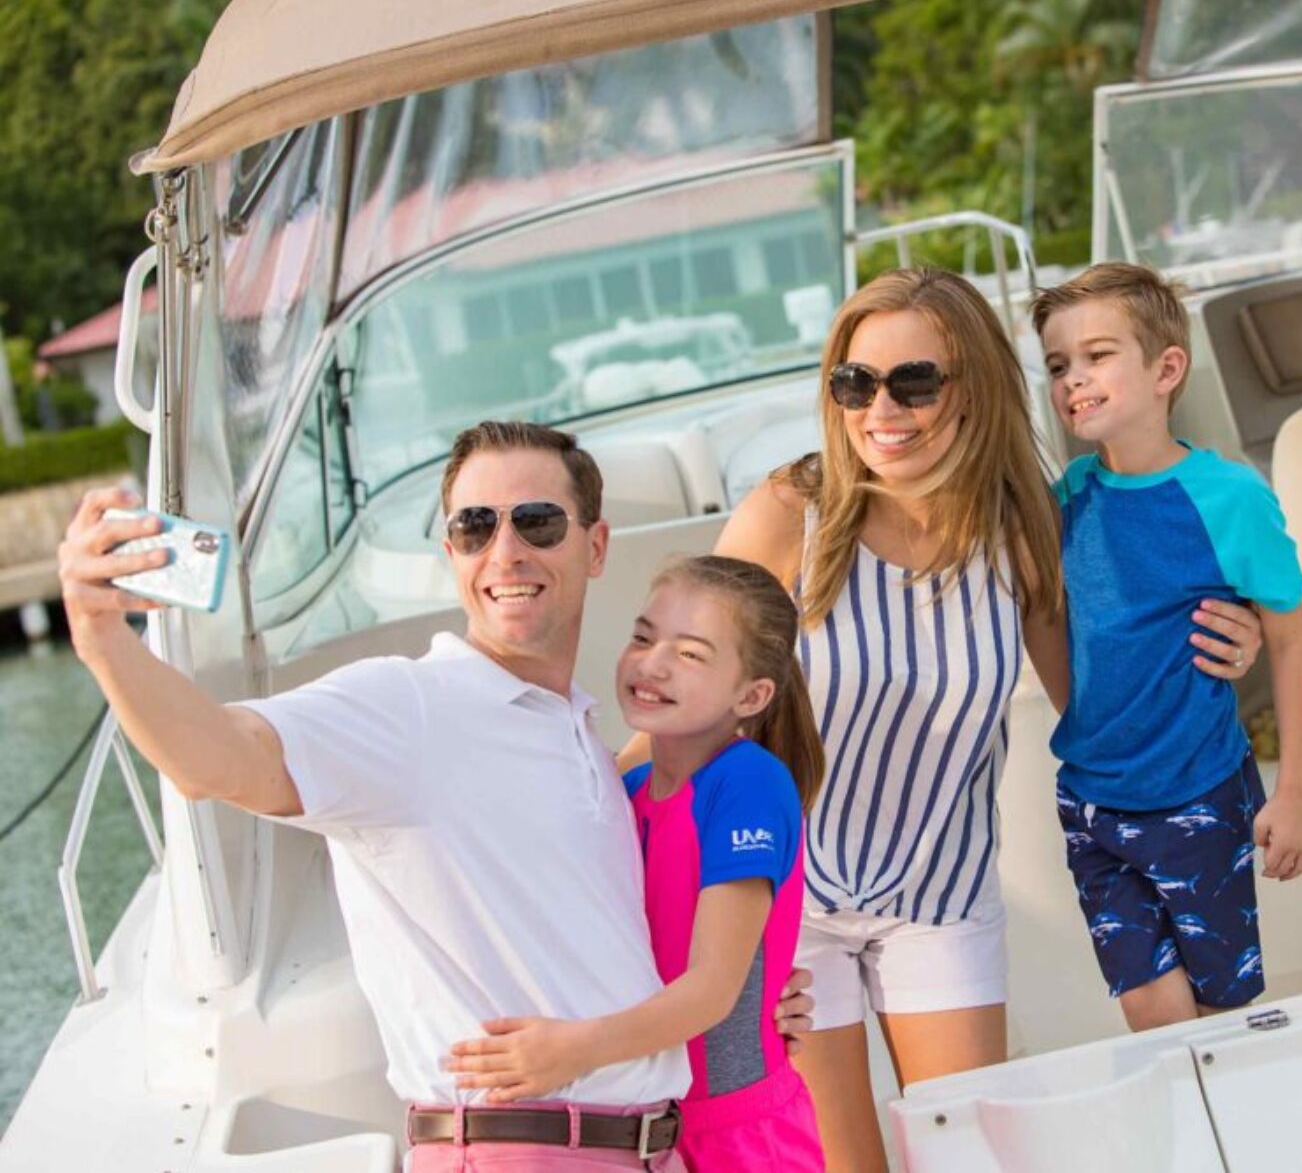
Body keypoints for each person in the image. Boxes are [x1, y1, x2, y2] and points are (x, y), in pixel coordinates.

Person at [56, 421, 812, 1171]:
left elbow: (643, 938)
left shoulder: (586, 739)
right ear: (451, 552)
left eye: (538, 523)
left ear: (596, 546)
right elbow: (218, 758)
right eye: (475, 526)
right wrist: (102, 638)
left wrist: (754, 1001)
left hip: (648, 1147)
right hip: (519, 1150)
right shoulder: (406, 708)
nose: (506, 550)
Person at [710, 268, 1268, 1168]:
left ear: (974, 388)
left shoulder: (1025, 530)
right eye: (854, 383)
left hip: (940, 896)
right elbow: (687, 704)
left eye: (914, 382)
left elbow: (1104, 695)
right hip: (788, 898)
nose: (879, 409)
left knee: (966, 1155)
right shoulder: (789, 515)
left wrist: (1236, 634)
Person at [445, 556, 827, 1171]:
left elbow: (711, 990)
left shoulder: (749, 783)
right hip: (646, 1131)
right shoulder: (628, 790)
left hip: (739, 1132)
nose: (653, 663)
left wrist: (571, 1052)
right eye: (644, 637)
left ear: (752, 695)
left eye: (691, 654)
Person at [1031, 262, 1302, 1032]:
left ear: (1166, 369)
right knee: (1153, 1019)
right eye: (1059, 365)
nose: (1074, 380)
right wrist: (1089, 721)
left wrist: (1292, 794)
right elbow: (1051, 624)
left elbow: (1291, 643)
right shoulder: (1064, 503)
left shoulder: (1230, 500)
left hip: (1199, 796)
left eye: (1097, 356)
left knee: (1224, 1015)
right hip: (1092, 804)